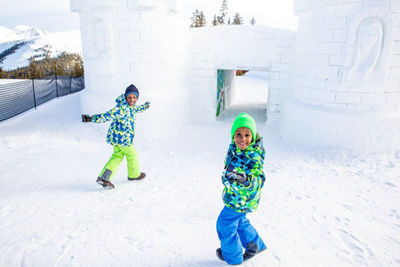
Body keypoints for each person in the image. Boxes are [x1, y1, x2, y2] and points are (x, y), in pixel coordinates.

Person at [216, 112, 267, 265]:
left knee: (225, 223)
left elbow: (259, 179)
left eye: (247, 134)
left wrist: (245, 180)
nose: (242, 139)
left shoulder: (253, 156)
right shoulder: (234, 149)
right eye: (238, 134)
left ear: (253, 136)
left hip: (242, 198)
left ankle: (233, 257)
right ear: (233, 135)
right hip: (235, 195)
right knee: (240, 222)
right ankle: (255, 244)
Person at [81, 84, 150, 189]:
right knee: (132, 155)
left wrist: (145, 106)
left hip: (116, 139)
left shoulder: (131, 108)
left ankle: (104, 178)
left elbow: (138, 109)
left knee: (117, 156)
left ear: (137, 98)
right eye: (129, 97)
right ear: (125, 97)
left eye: (134, 97)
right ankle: (134, 175)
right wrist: (91, 118)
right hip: (124, 140)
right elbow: (107, 116)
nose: (132, 100)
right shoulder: (121, 108)